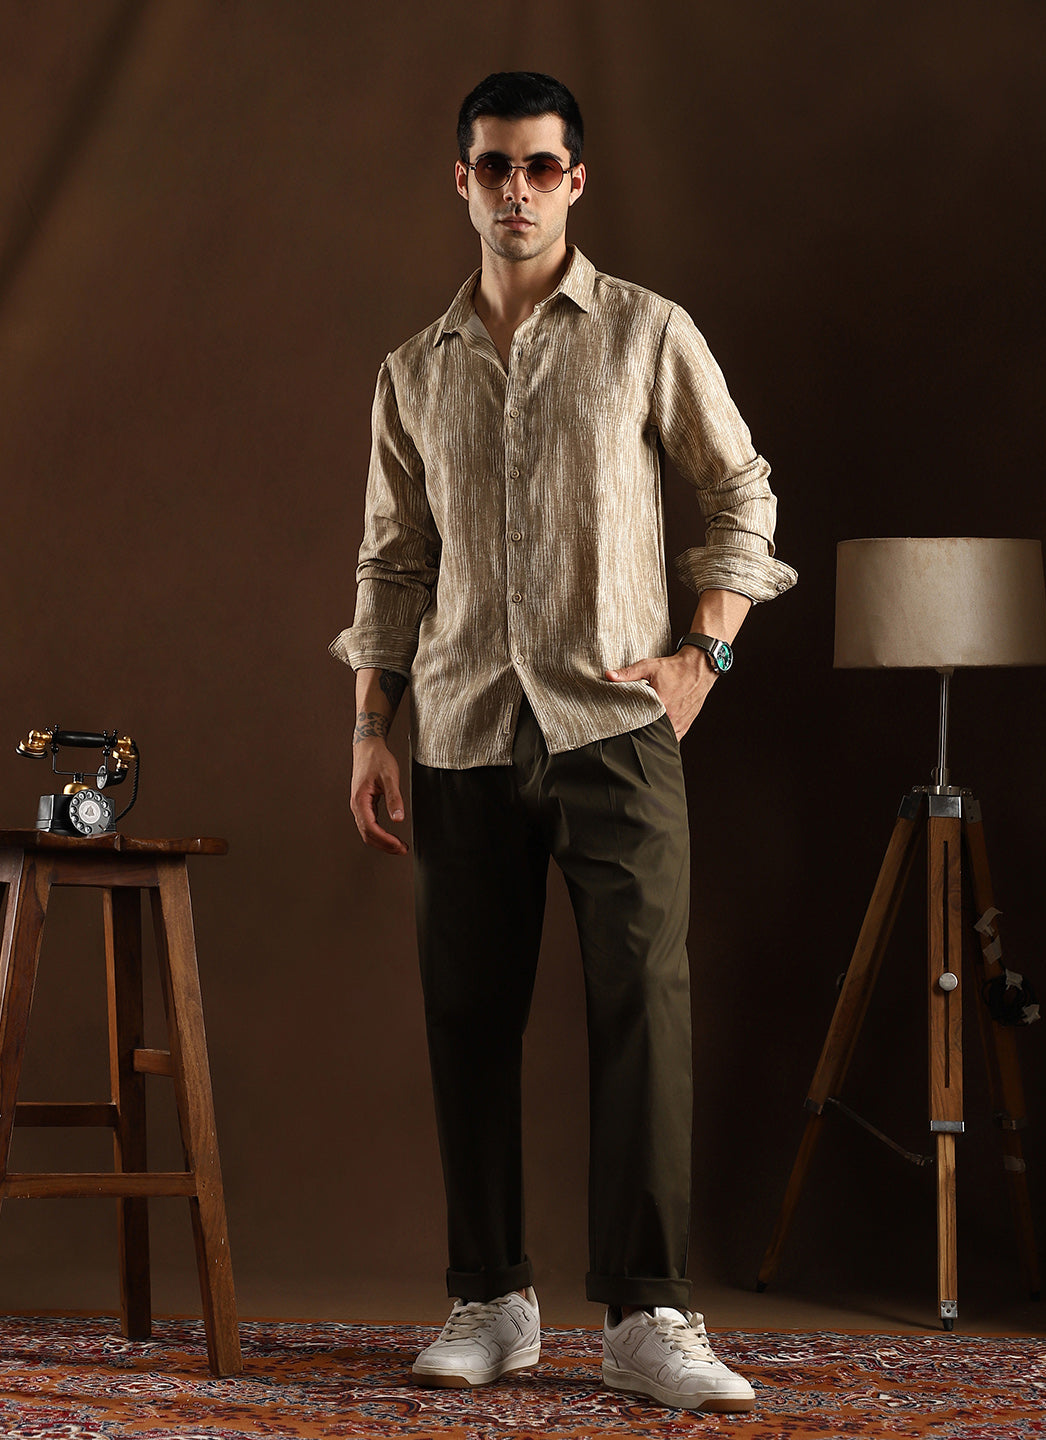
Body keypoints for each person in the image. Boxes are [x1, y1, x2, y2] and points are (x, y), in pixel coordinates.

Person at [330, 71, 796, 1414]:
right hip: (462, 730)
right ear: (461, 180)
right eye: (494, 166)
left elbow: (741, 489)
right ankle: (491, 1298)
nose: (517, 190)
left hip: (616, 727)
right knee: (469, 1015)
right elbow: (391, 564)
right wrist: (371, 725)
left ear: (577, 182)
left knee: (644, 1007)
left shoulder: (647, 333)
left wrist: (706, 651)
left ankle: (650, 1314)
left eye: (541, 167)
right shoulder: (413, 371)